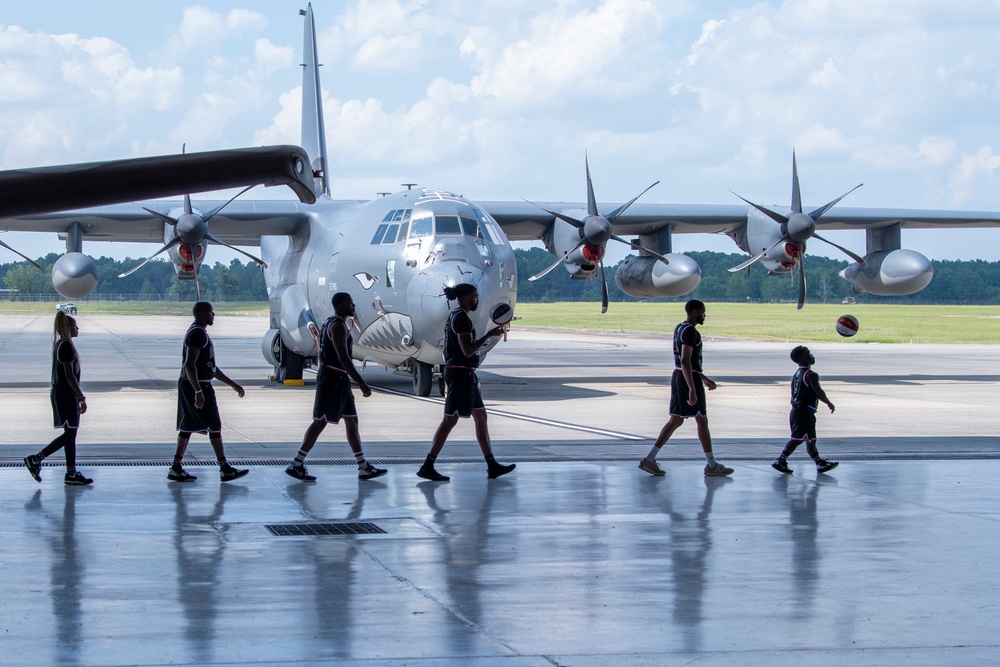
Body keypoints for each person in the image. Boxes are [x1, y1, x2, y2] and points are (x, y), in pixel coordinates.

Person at [417, 284, 515, 481]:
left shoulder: (453, 316)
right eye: (475, 296)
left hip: (464, 374)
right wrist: (487, 335)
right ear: (468, 297)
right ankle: (428, 465)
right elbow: (467, 350)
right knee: (449, 420)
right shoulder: (461, 318)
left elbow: (446, 352)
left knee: (481, 417)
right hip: (461, 375)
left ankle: (491, 464)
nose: (477, 299)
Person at [285, 292, 387, 482]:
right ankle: (296, 463)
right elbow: (343, 358)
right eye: (350, 303)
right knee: (320, 421)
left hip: (340, 380)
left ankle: (363, 466)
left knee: (352, 421)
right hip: (332, 378)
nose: (353, 306)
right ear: (340, 305)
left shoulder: (331, 322)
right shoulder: (338, 325)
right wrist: (362, 383)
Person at [638, 299, 733, 477]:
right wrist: (692, 388)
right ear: (695, 312)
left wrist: (702, 377)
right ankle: (711, 465)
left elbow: (685, 363)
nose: (705, 315)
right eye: (703, 311)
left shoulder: (679, 327)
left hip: (680, 375)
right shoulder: (690, 331)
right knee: (701, 419)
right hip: (686, 378)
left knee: (676, 420)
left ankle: (649, 459)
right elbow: (685, 360)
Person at [168, 301, 249, 483]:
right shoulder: (198, 334)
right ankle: (224, 468)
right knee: (214, 425)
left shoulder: (198, 332)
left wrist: (232, 383)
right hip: (197, 385)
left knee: (188, 425)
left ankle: (176, 466)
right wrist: (198, 391)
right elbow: (190, 365)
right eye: (211, 312)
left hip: (194, 384)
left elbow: (209, 366)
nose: (214, 315)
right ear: (203, 313)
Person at [23, 311, 93, 485]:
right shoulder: (66, 346)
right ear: (68, 328)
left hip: (62, 393)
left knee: (70, 433)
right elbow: (69, 376)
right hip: (65, 394)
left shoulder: (61, 345)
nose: (78, 329)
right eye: (75, 326)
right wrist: (81, 397)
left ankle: (71, 473)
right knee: (70, 433)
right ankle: (37, 458)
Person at [771, 346, 839, 474]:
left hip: (798, 411)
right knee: (797, 439)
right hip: (803, 412)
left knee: (810, 440)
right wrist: (828, 402)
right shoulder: (811, 375)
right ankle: (780, 460)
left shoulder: (796, 374)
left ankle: (819, 463)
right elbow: (818, 391)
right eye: (809, 353)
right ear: (803, 357)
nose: (811, 355)